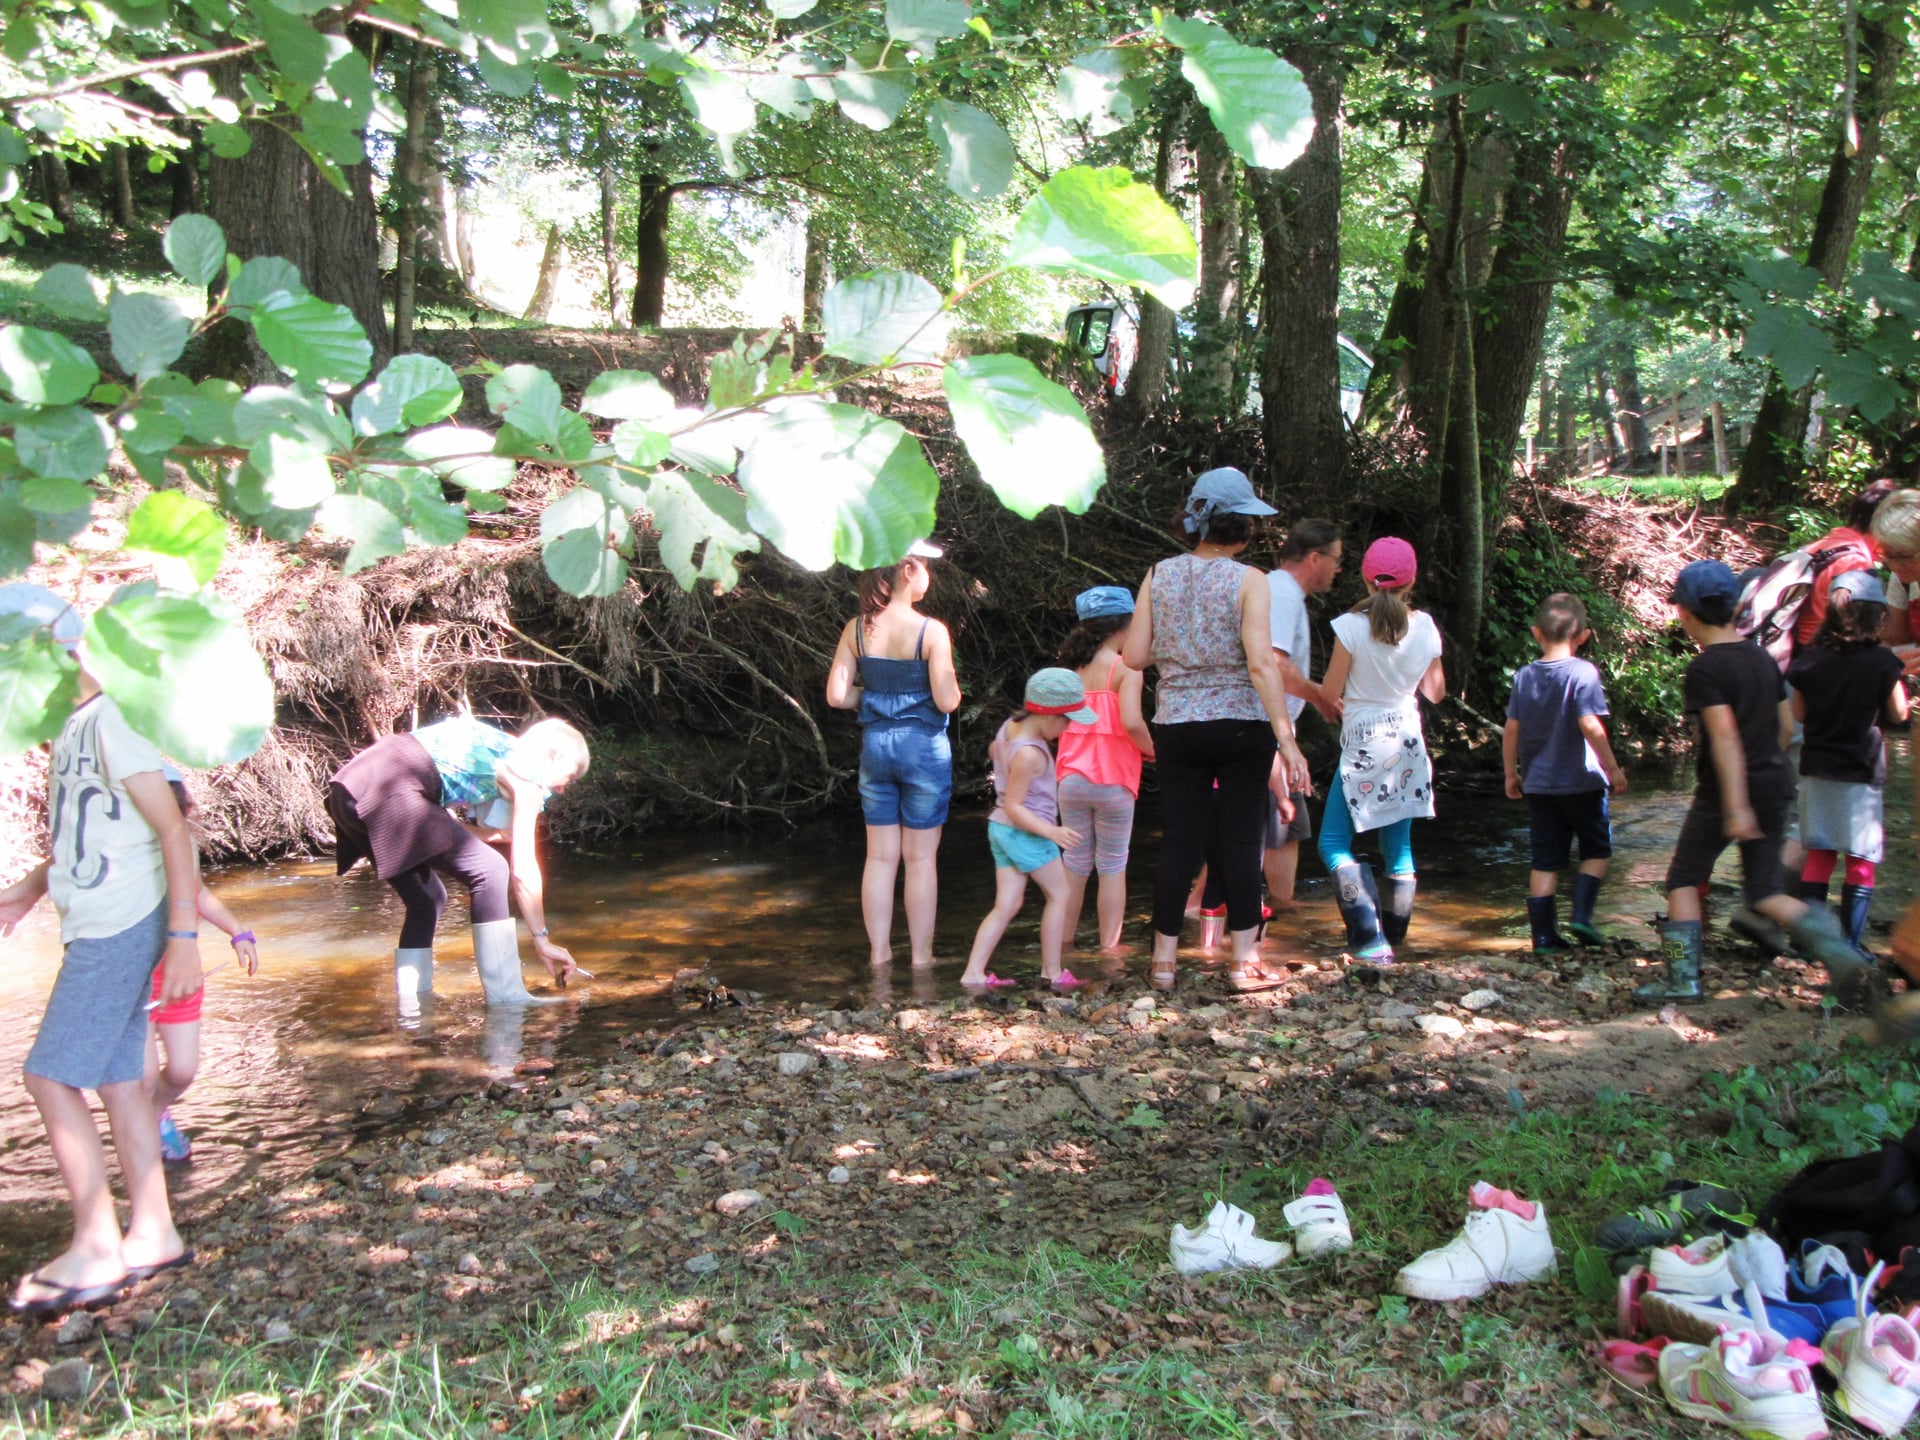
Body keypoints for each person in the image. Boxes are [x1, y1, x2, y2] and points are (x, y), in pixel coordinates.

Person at [0, 583, 196, 1314]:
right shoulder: (73, 729)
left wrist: (182, 937)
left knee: (49, 1076)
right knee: (119, 1081)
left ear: (49, 649)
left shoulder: (115, 717)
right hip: (96, 916)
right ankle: (154, 1229)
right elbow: (92, 840)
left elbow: (173, 829)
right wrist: (27, 890)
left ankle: (94, 1241)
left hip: (122, 924)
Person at [1643, 559, 1871, 1006]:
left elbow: (1725, 736)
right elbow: (1785, 726)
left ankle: (1681, 979)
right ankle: (1840, 952)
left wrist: (1735, 803)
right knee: (1765, 891)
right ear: (1736, 606)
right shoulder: (1762, 657)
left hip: (1726, 793)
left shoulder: (1705, 670)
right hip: (1774, 781)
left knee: (1683, 880)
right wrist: (1766, 768)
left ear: (1685, 613)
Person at [1122, 467, 1311, 992]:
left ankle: (1162, 964)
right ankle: (1243, 962)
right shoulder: (1250, 580)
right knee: (1240, 838)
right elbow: (1260, 664)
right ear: (1244, 528)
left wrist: (1185, 650)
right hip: (1239, 726)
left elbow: (1135, 655)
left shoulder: (1158, 574)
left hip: (1176, 724)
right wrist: (1288, 740)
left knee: (1180, 841)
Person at [327, 711, 590, 1009]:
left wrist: (496, 835)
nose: (563, 789)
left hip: (350, 788)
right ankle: (508, 998)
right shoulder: (528, 777)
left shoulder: (501, 751)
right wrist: (541, 939)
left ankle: (413, 1006)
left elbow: (445, 827)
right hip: (391, 790)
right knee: (491, 870)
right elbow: (523, 872)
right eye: (570, 777)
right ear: (554, 760)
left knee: (427, 899)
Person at [825, 540, 961, 968]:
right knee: (920, 859)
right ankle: (921, 958)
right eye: (926, 568)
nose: (928, 576)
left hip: (876, 750)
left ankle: (879, 955)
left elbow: (837, 696)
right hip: (923, 752)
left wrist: (879, 696)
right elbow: (947, 701)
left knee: (880, 858)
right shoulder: (932, 631)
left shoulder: (857, 629)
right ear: (907, 570)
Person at [1317, 538, 1445, 964]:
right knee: (1399, 845)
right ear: (1412, 581)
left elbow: (1332, 692)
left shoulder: (1351, 626)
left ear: (1364, 578)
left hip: (1364, 743)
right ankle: (1396, 939)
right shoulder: (1425, 626)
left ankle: (1369, 939)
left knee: (1333, 842)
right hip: (1408, 741)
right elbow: (1436, 692)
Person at [1786, 570, 1908, 958]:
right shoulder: (1883, 663)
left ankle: (1810, 944)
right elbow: (1900, 713)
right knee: (1861, 858)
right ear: (1877, 616)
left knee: (1820, 853)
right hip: (1861, 769)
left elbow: (1801, 715)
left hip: (1817, 767)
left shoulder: (1809, 660)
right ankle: (1852, 945)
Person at [1502, 594, 1630, 956]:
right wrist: (1613, 768)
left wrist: (1511, 772)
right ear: (1584, 636)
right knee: (1597, 849)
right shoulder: (1584, 672)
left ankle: (1543, 938)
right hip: (1583, 783)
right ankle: (1582, 916)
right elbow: (1589, 724)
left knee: (1544, 860)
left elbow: (1512, 729)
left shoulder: (1525, 676)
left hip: (1539, 786)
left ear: (1535, 633)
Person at [146, 767, 260, 1162]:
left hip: (181, 974)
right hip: (133, 975)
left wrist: (238, 931)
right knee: (141, 1076)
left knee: (181, 1070)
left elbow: (196, 892)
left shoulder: (183, 848)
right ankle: (142, 1133)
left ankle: (153, 1112)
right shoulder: (126, 852)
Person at [960, 669, 1097, 987]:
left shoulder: (1011, 728)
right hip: (1026, 832)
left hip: (1000, 829)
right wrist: (1051, 832)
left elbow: (995, 751)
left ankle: (973, 974)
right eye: (1067, 720)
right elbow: (1015, 806)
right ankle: (1052, 972)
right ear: (1049, 715)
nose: (1068, 727)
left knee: (1007, 904)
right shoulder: (1030, 754)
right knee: (1060, 893)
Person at [1054, 587, 1153, 954]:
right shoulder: (1126, 668)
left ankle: (1061, 944)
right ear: (1122, 628)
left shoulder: (1068, 671)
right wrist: (1153, 751)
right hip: (1114, 781)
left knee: (1075, 863)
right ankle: (1110, 948)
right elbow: (1132, 722)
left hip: (1071, 780)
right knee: (1112, 865)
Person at [1263, 519, 1346, 908]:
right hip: (1266, 727)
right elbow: (1274, 664)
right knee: (1270, 819)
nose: (1338, 568)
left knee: (1287, 822)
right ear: (1315, 558)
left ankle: (1283, 904)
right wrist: (1320, 696)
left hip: (1278, 727)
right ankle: (1199, 906)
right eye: (1336, 560)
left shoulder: (1284, 593)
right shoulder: (1281, 593)